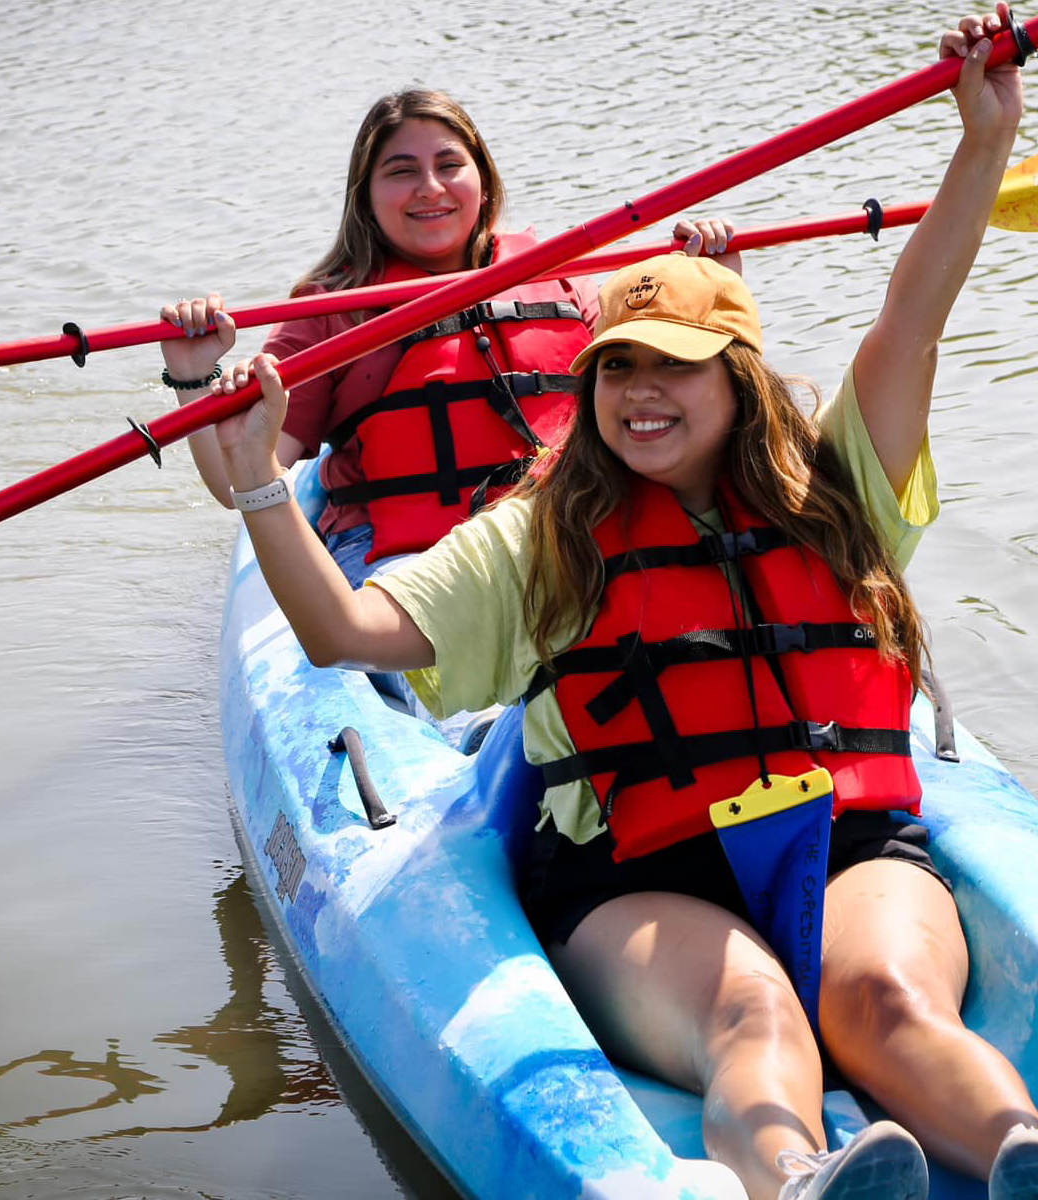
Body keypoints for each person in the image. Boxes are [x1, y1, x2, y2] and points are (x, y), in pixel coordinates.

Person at [199, 8, 1035, 1198]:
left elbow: (918, 306)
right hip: (637, 871)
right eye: (617, 368)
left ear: (737, 379)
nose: (642, 394)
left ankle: (1019, 1155)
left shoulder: (844, 486)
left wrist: (982, 137)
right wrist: (259, 499)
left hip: (848, 839)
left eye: (675, 366)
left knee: (889, 999)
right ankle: (802, 1181)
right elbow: (345, 635)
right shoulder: (547, 536)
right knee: (754, 1014)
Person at [159, 87, 732, 747]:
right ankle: (490, 741)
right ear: (366, 198)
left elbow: (685, 414)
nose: (430, 187)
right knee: (485, 678)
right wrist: (195, 378)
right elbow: (243, 480)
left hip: (562, 534)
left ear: (483, 183)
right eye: (401, 171)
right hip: (408, 558)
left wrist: (712, 291)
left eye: (449, 165)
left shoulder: (569, 280)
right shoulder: (332, 312)